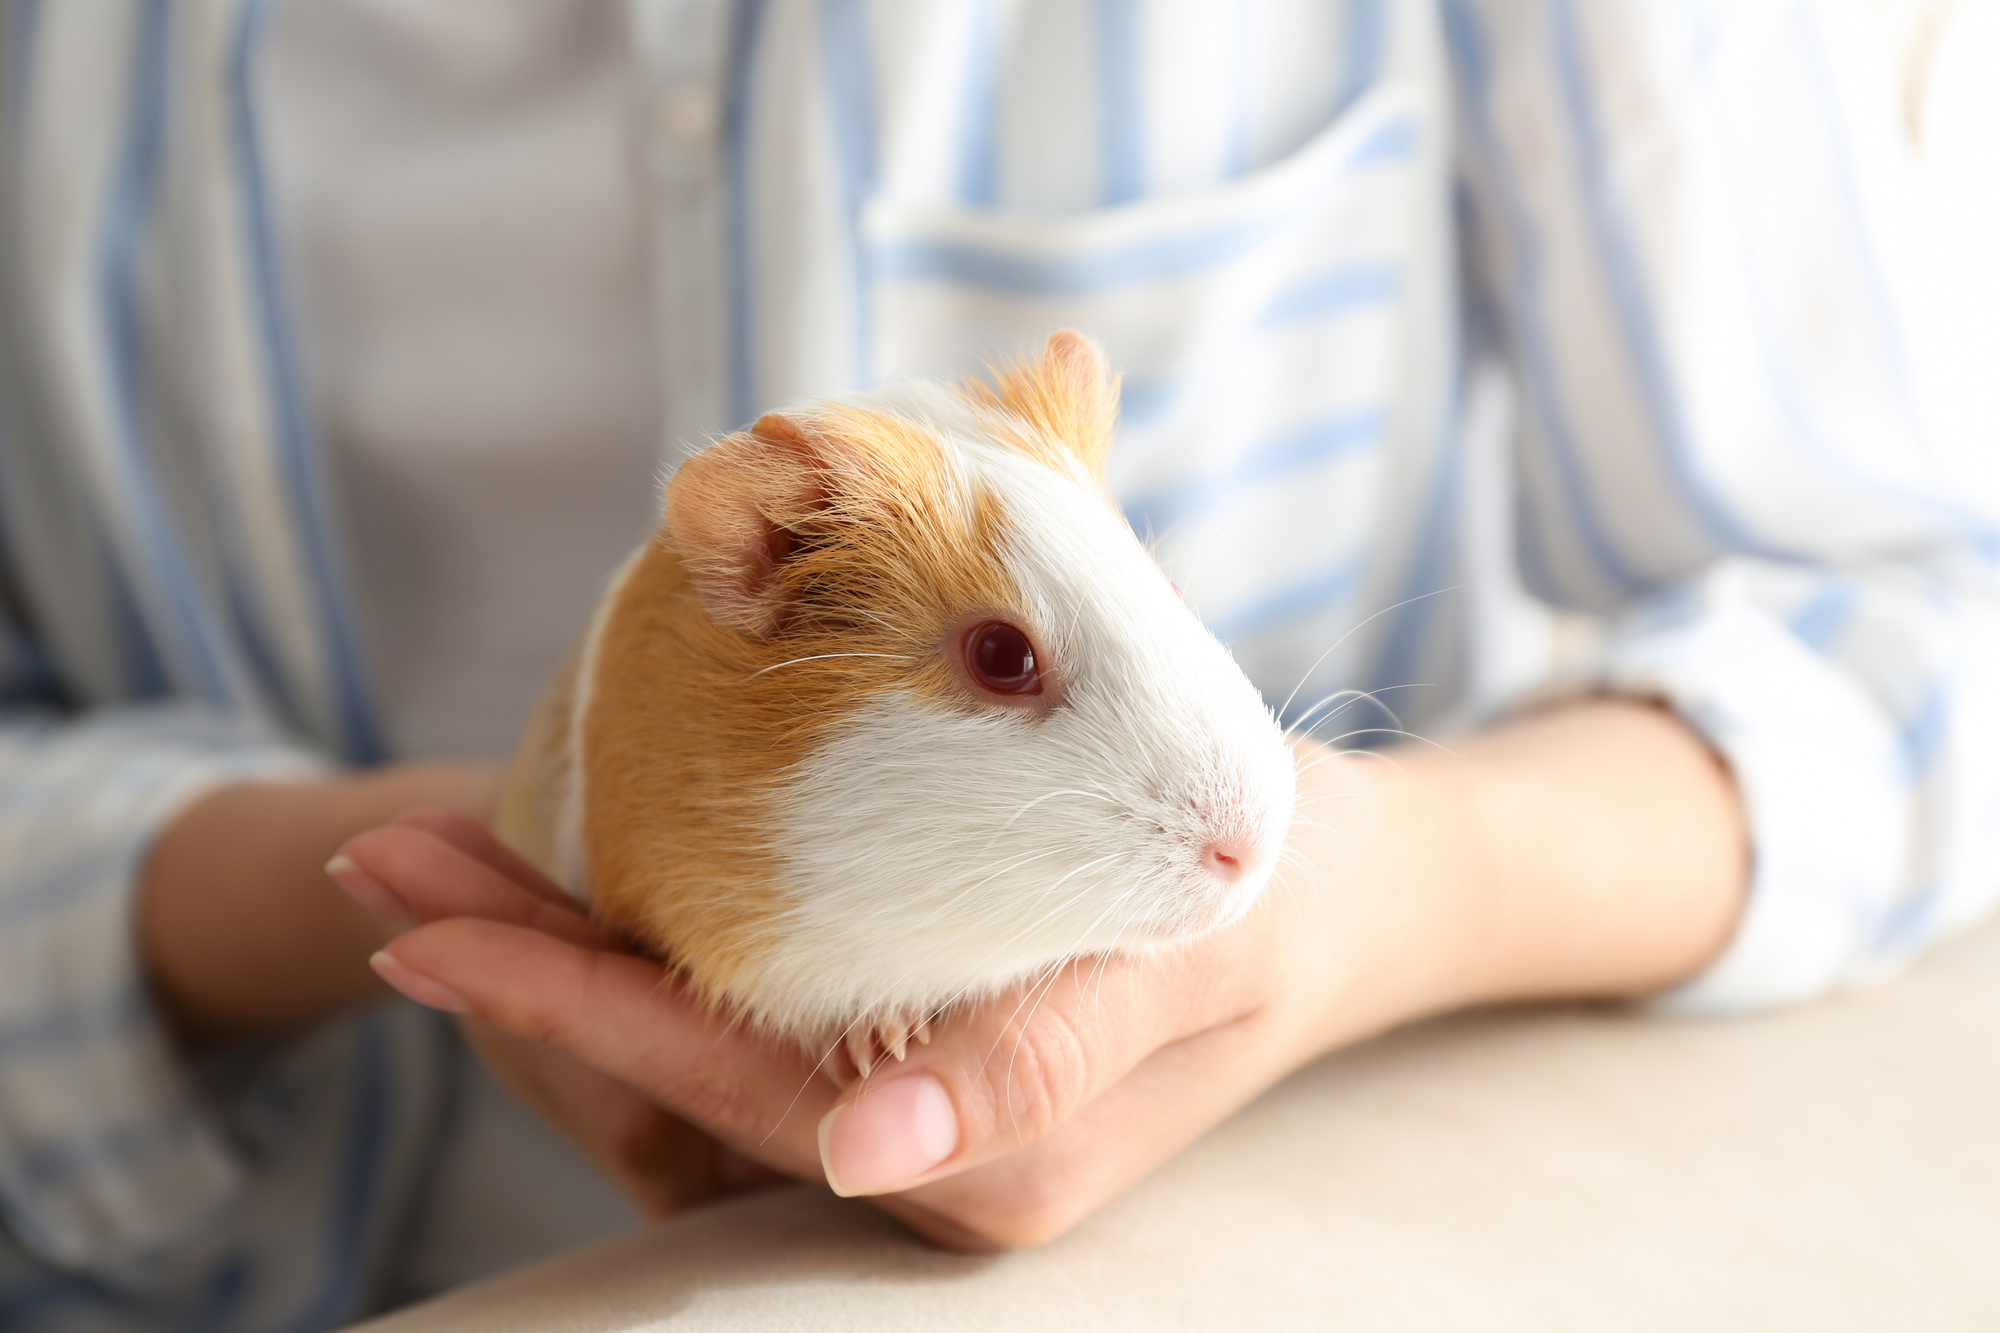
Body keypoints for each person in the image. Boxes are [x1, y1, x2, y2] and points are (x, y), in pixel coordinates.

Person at [2, 0, 1994, 1327]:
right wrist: (332, 880)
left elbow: (1923, 600)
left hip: (1264, 1236)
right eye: (1008, 661)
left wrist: (1398, 884)